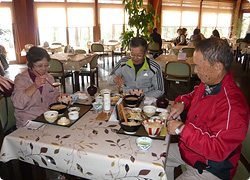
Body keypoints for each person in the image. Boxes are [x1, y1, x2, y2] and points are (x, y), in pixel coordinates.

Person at [166, 38, 249, 180]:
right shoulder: (209, 83)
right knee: (159, 158)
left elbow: (217, 149)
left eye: (198, 66)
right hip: (192, 151)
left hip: (211, 167)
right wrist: (183, 102)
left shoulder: (233, 106)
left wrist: (181, 129)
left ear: (217, 67)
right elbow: (194, 94)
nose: (195, 70)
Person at [11, 46, 59, 128]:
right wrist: (34, 86)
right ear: (30, 65)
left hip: (47, 118)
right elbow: (18, 104)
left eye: (46, 65)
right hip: (28, 122)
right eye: (39, 66)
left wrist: (60, 99)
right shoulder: (21, 79)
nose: (44, 69)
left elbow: (54, 100)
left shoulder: (49, 78)